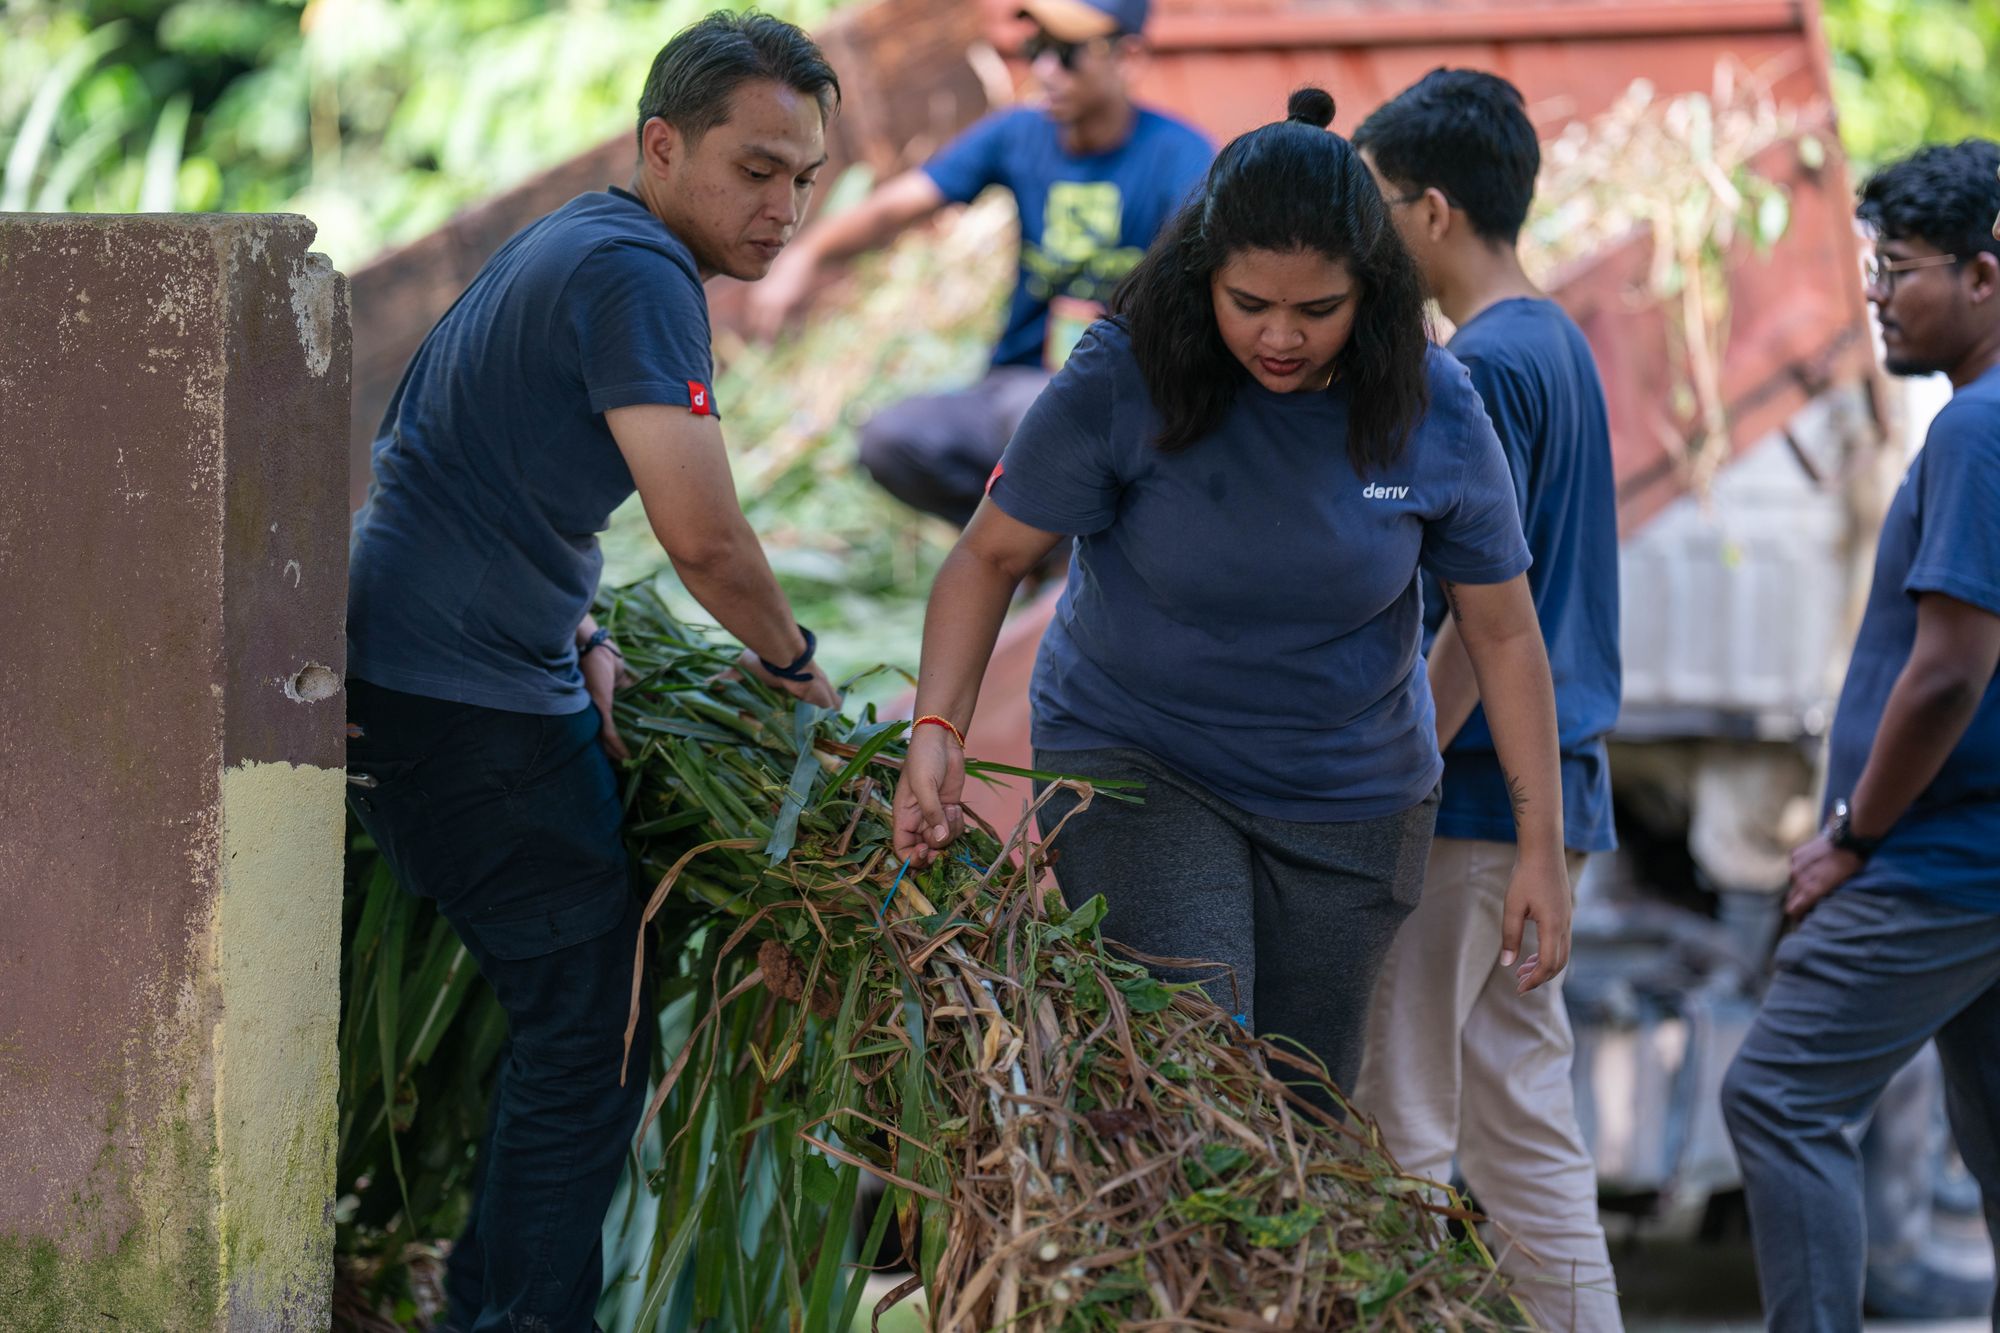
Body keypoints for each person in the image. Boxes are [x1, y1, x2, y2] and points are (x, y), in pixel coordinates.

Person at [890, 87, 1573, 1108]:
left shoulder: (1432, 404)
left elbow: (1504, 633)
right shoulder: (1127, 374)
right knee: (1193, 1084)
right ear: (1201, 276)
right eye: (1248, 304)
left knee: (1301, 1118)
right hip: (1141, 762)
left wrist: (1540, 848)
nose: (1280, 338)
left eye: (1317, 310)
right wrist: (936, 726)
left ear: (1373, 290)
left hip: (1351, 797)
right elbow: (987, 558)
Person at [343, 13, 841, 1330]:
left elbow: (459, 454)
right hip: (463, 702)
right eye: (755, 170)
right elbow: (705, 537)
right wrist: (795, 664)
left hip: (436, 665)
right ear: (661, 145)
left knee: (576, 1015)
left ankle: (488, 1301)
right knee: (590, 1037)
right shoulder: (638, 276)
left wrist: (582, 630)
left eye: (805, 177)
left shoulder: (580, 238)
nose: (785, 209)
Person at [1349, 69, 1624, 1331]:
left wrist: (1392, 774)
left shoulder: (1485, 367)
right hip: (1546, 796)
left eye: (1374, 206)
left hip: (1463, 799)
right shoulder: (1554, 341)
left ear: (1432, 211)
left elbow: (1478, 615)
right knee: (1521, 1128)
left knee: (1392, 1124)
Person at [1719, 139, 2000, 1333]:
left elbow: (1946, 671)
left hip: (1938, 859)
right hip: (1975, 860)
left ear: (1982, 276)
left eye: (1897, 268)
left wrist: (1850, 835)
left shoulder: (1975, 430)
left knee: (1777, 1094)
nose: (1874, 294)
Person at [746, 0, 1212, 528]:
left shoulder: (1180, 155)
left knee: (1046, 414)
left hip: (1117, 400)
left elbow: (1206, 279)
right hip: (1013, 384)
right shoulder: (1018, 134)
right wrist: (805, 256)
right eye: (1037, 49)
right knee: (890, 440)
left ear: (1127, 58)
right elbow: (899, 207)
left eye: (1067, 53)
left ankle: (1063, 550)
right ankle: (1029, 550)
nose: (1045, 70)